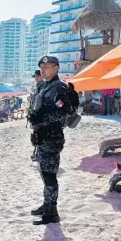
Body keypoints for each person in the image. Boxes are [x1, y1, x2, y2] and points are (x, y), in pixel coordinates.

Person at [28, 56, 74, 226]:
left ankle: (52, 211)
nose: (43, 69)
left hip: (52, 137)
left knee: (50, 175)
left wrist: (42, 118)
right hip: (42, 136)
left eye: (47, 66)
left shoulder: (58, 87)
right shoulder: (44, 86)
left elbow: (66, 111)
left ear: (56, 68)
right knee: (44, 172)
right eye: (42, 66)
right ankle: (46, 204)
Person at [30, 70, 44, 161]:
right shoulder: (38, 87)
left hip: (40, 116)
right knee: (36, 135)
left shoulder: (43, 87)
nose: (36, 78)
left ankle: (39, 154)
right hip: (36, 115)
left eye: (37, 76)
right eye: (35, 76)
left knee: (40, 135)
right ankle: (36, 153)